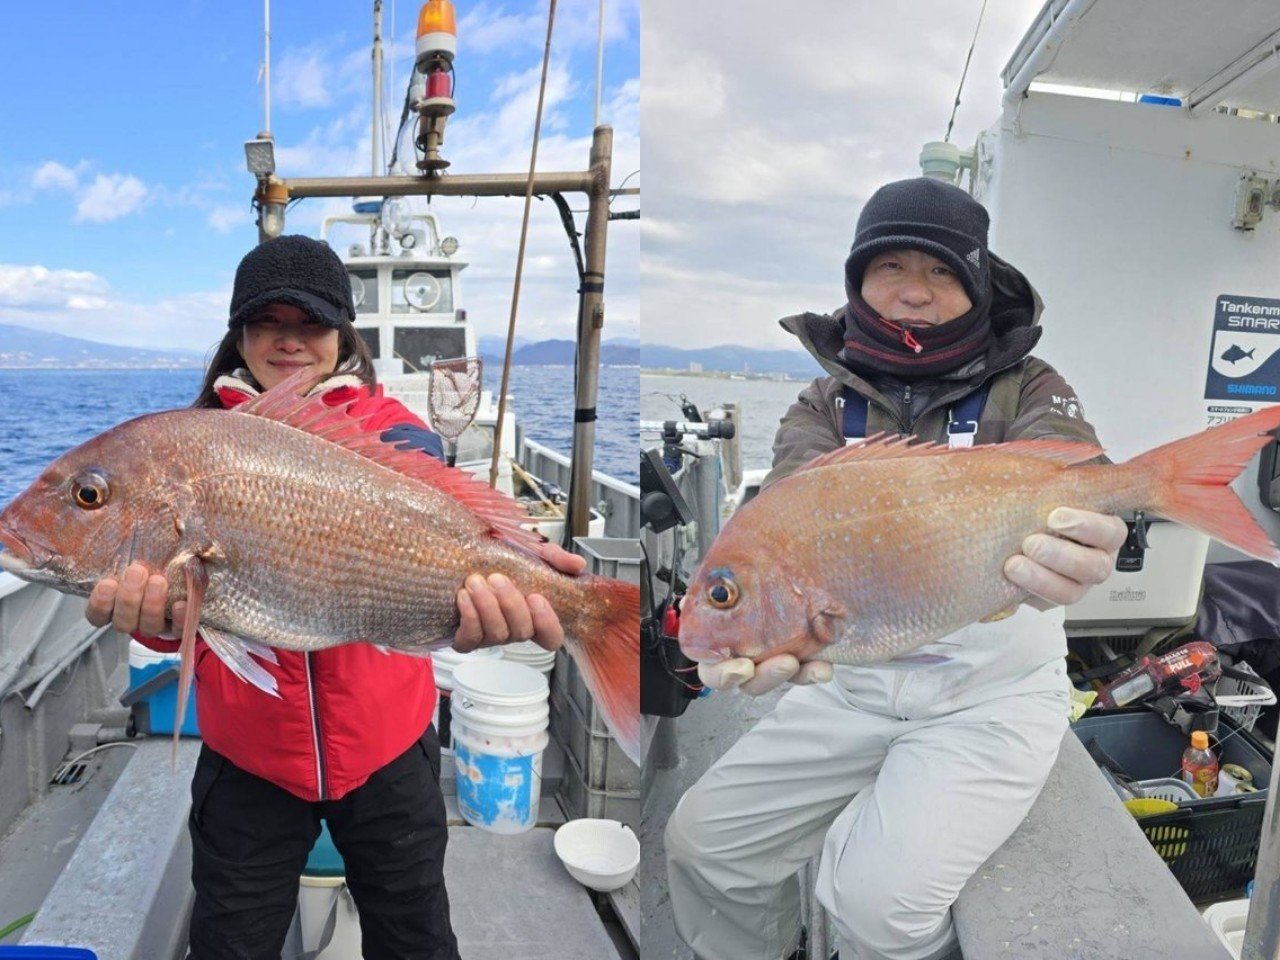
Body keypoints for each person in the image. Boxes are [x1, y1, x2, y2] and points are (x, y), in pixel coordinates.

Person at [84, 235, 585, 960]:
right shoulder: (192, 444)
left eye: (310, 322)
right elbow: (186, 615)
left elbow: (434, 539)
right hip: (248, 759)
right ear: (240, 336)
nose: (289, 340)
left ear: (341, 333)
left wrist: (503, 588)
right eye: (267, 322)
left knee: (415, 937)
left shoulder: (399, 435)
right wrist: (159, 621)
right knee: (230, 942)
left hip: (390, 750)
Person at [664, 177, 1128, 960]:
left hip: (988, 695)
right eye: (891, 267)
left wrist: (1092, 538)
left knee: (876, 905)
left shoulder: (1032, 386)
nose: (914, 292)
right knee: (702, 842)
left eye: (942, 271)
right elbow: (787, 510)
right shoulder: (820, 402)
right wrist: (755, 621)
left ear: (977, 284)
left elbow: (1082, 469)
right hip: (851, 679)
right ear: (857, 280)